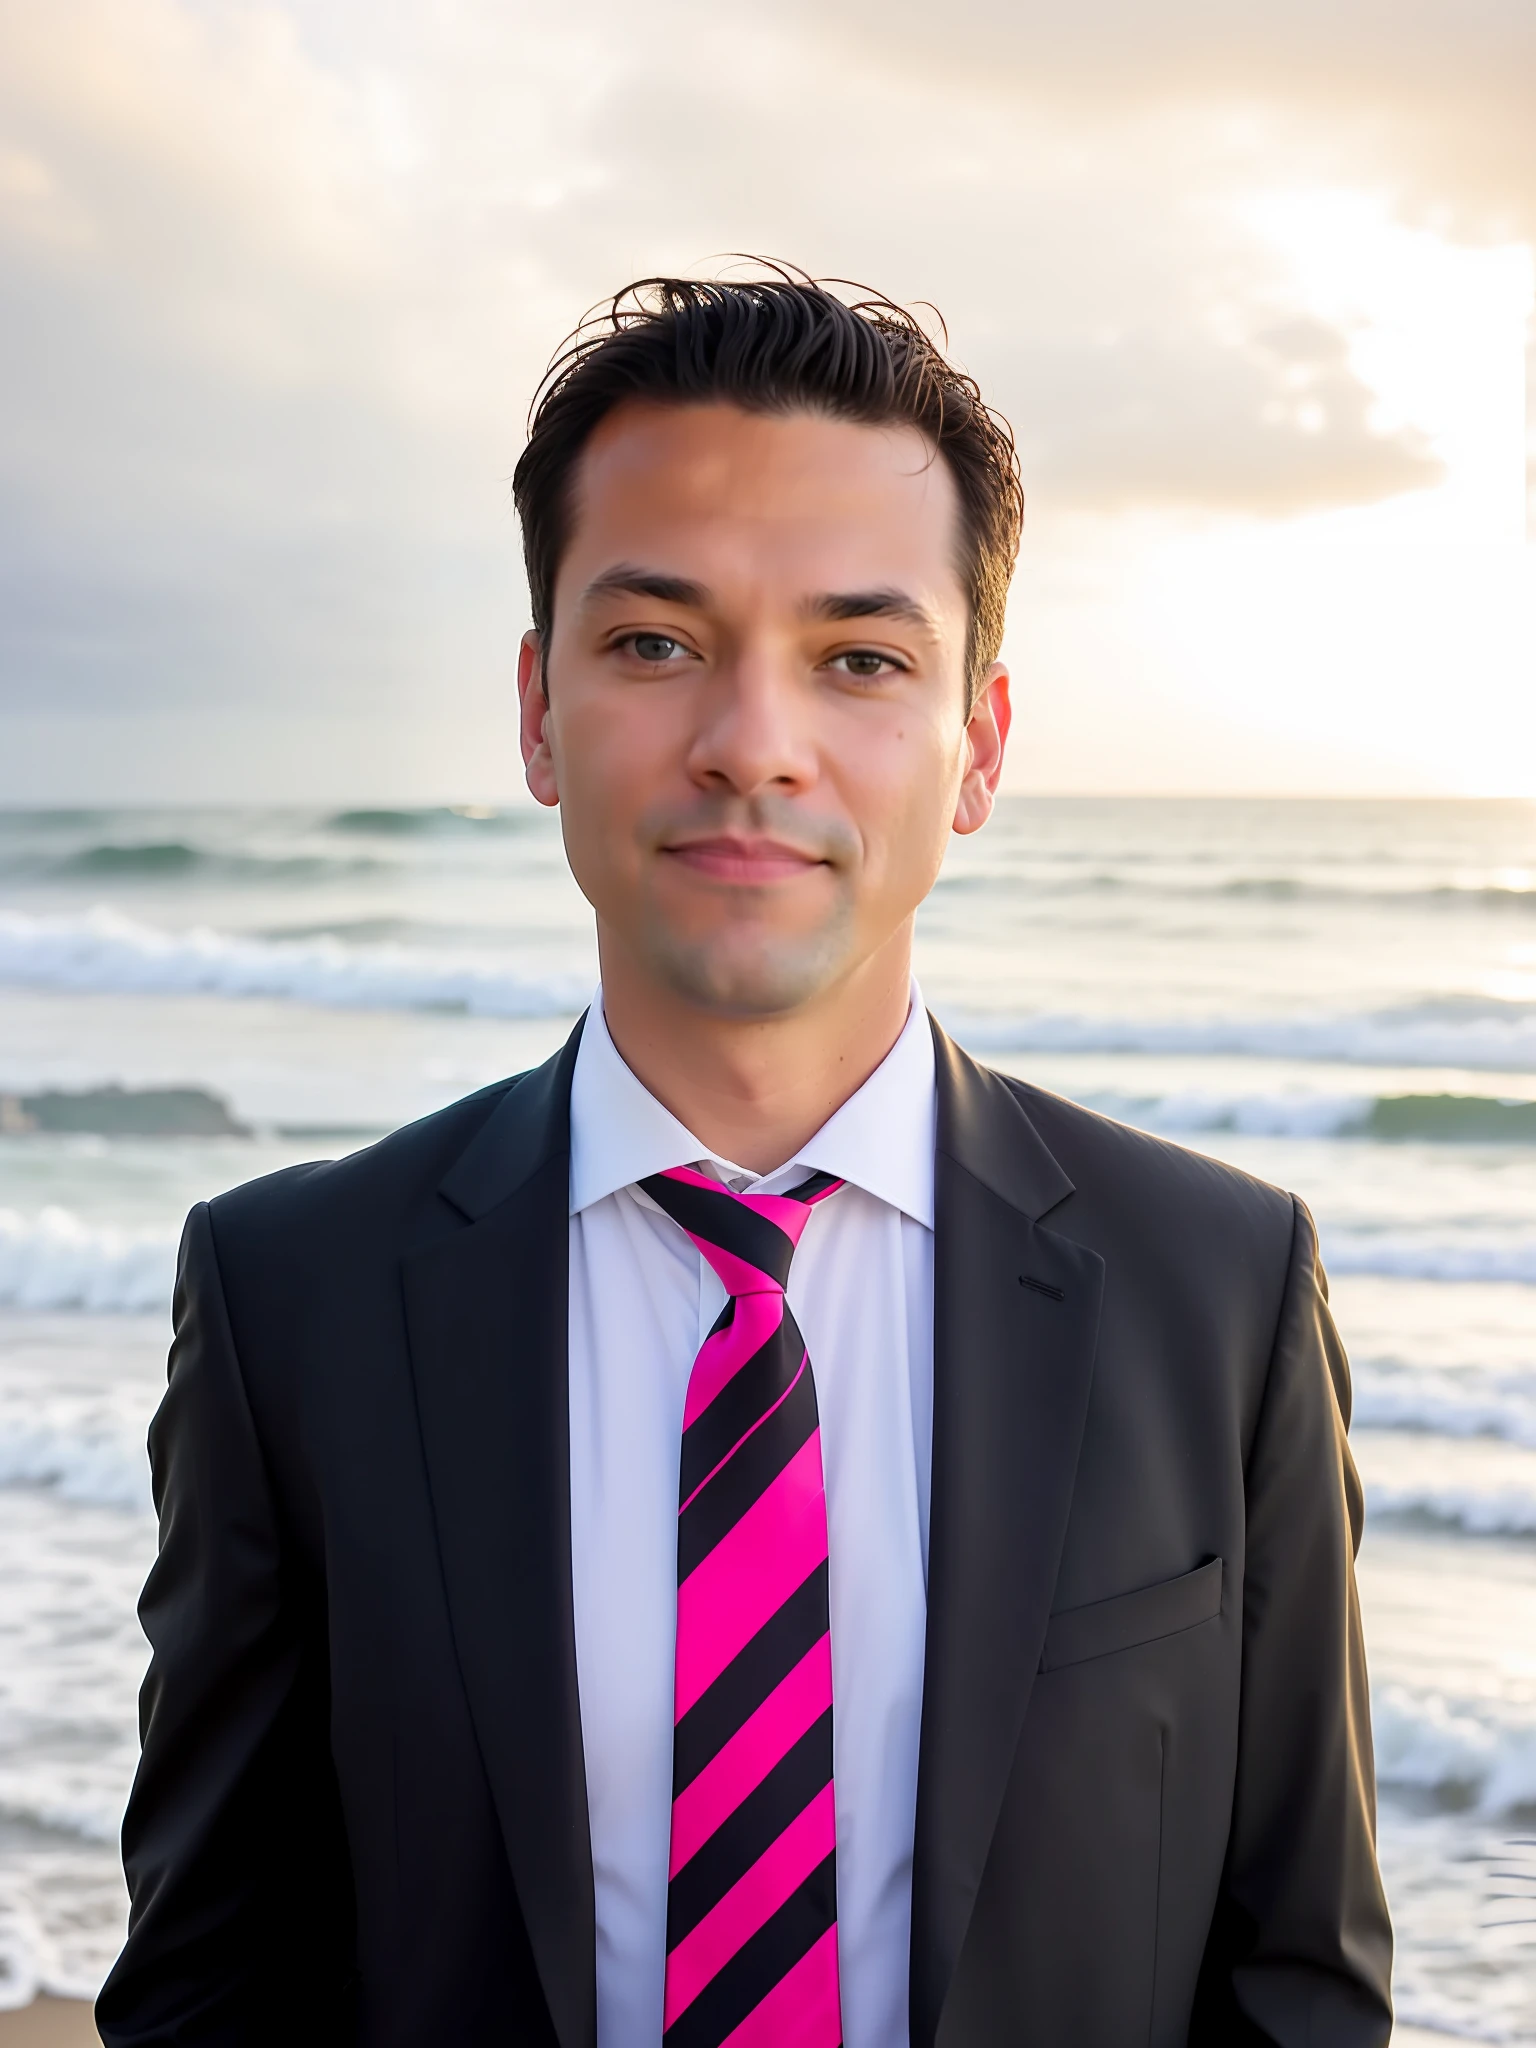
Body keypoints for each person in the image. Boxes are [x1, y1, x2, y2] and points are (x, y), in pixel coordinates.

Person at [97, 272, 1393, 2048]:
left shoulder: (1218, 1293)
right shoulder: (292, 1300)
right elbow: (211, 1985)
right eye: (655, 643)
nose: (751, 746)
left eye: (861, 658)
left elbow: (1298, 1979)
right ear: (540, 711)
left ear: (979, 747)